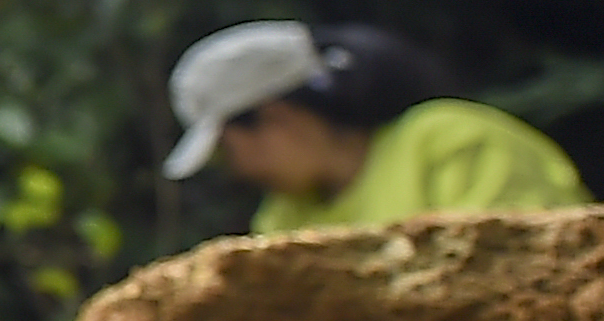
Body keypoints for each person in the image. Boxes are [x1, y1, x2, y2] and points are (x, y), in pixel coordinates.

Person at [165, 22, 588, 232]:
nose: (237, 169)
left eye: (228, 149)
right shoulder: (286, 218)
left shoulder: (449, 140)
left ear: (277, 116)